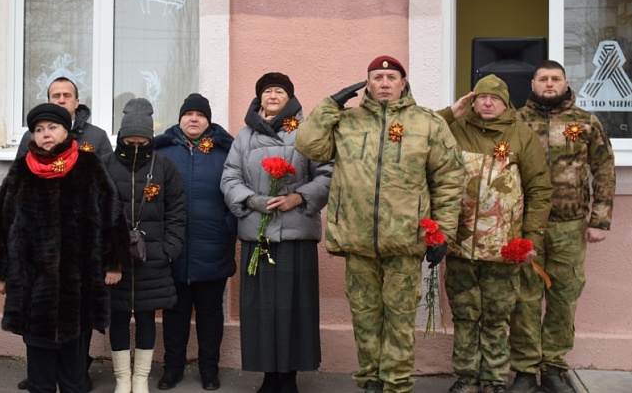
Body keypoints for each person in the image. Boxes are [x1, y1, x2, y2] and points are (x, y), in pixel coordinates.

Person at [295, 56, 463, 393]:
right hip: (357, 240)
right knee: (365, 316)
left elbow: (448, 178)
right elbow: (308, 145)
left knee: (400, 319)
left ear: (404, 82)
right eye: (377, 77)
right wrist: (330, 105)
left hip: (406, 240)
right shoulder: (347, 121)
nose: (384, 82)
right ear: (366, 84)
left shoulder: (427, 123)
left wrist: (442, 231)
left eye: (391, 76)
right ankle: (371, 379)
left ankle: (397, 384)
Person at [0, 103, 128, 393]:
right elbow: (0, 222)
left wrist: (113, 263)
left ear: (66, 131)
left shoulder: (89, 166)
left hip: (79, 287)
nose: (46, 134)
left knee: (74, 377)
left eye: (52, 127)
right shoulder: (22, 171)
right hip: (34, 289)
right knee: (40, 376)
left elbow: (113, 214)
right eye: (39, 129)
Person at [435, 75, 552, 393]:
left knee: (498, 315)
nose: (487, 103)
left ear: (505, 103)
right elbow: (421, 135)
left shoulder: (521, 134)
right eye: (481, 98)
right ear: (471, 101)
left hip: (504, 248)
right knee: (465, 312)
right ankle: (467, 377)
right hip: (460, 245)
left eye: (495, 98)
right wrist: (449, 113)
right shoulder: (454, 129)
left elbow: (539, 188)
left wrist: (531, 240)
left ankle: (494, 378)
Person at [509, 61, 615, 393]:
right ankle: (525, 370)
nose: (550, 83)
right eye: (544, 79)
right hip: (526, 227)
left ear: (566, 82)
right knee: (524, 298)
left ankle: (553, 367)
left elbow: (605, 168)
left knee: (563, 297)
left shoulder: (585, 122)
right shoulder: (516, 121)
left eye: (556, 78)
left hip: (570, 226)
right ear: (533, 83)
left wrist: (599, 219)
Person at [221, 72, 331, 393]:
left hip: (296, 234)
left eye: (279, 91)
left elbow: (326, 173)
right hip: (259, 235)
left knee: (296, 308)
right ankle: (268, 376)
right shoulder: (244, 137)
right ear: (259, 98)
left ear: (289, 98)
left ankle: (290, 378)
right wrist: (253, 200)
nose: (272, 95)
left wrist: (299, 197)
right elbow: (230, 178)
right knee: (261, 311)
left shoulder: (309, 132)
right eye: (267, 90)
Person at [14, 76, 112, 392]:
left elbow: (106, 192)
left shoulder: (95, 138)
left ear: (76, 101)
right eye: (54, 95)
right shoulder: (30, 140)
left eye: (66, 95)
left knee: (75, 323)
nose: (60, 100)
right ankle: (42, 376)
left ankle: (76, 373)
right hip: (39, 256)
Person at [154, 94, 236, 391]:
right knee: (175, 314)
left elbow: (236, 191)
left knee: (210, 314)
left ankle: (209, 370)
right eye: (188, 113)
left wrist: (228, 227)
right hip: (173, 249)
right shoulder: (163, 151)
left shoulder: (225, 150)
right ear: (179, 119)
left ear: (208, 120)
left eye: (199, 115)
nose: (193, 119)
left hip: (213, 246)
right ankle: (172, 368)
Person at [104, 98, 186, 393]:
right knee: (118, 317)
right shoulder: (108, 165)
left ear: (150, 136)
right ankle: (122, 379)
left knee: (148, 316)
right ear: (122, 135)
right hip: (117, 261)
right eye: (130, 138)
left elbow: (178, 210)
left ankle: (140, 379)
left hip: (154, 258)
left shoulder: (164, 165)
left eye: (142, 138)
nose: (136, 144)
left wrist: (170, 249)